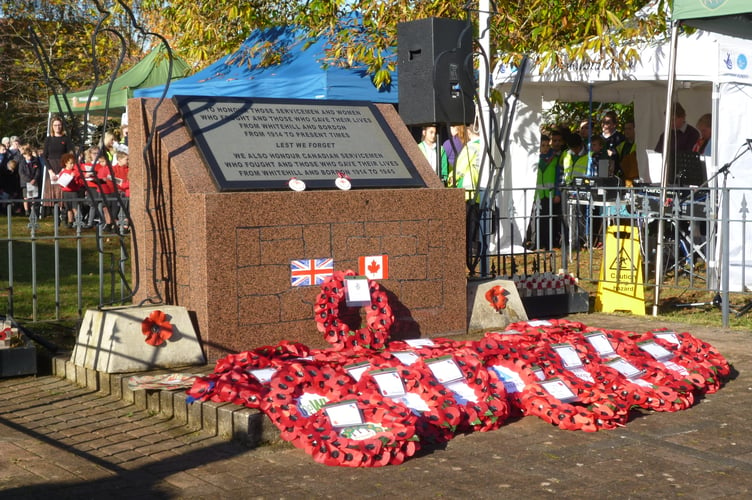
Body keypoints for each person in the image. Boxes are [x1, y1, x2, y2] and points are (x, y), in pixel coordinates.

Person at [528, 131, 564, 249]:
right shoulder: (533, 159)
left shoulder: (555, 158)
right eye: (542, 145)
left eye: (547, 145)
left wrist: (557, 193)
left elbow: (558, 177)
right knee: (536, 219)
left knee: (549, 219)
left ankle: (549, 242)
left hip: (550, 193)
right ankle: (536, 242)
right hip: (537, 193)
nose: (545, 148)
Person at [42, 116, 73, 211]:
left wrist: (63, 169)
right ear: (52, 126)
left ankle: (64, 215)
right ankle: (54, 214)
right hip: (51, 167)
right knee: (53, 192)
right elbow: (44, 156)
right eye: (55, 125)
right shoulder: (48, 139)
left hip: (62, 167)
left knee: (62, 191)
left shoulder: (66, 139)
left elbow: (69, 155)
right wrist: (50, 171)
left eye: (59, 125)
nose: (57, 127)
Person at [57, 152, 85, 228]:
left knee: (75, 207)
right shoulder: (63, 172)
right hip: (66, 192)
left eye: (73, 163)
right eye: (70, 163)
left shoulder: (75, 172)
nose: (72, 165)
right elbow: (61, 182)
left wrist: (76, 179)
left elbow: (79, 182)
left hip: (74, 192)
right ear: (66, 163)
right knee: (68, 208)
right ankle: (70, 222)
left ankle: (78, 221)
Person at [18, 145, 42, 216]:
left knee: (33, 196)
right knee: (26, 197)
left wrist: (34, 179)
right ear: (24, 155)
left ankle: (33, 209)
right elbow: (21, 173)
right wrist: (29, 180)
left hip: (34, 181)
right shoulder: (22, 163)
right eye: (28, 156)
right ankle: (26, 210)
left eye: (30, 156)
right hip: (25, 182)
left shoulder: (35, 161)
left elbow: (38, 171)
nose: (30, 157)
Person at [617, 120, 639, 186]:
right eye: (625, 129)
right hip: (623, 178)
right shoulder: (622, 145)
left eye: (629, 129)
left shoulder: (639, 144)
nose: (626, 131)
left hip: (635, 179)